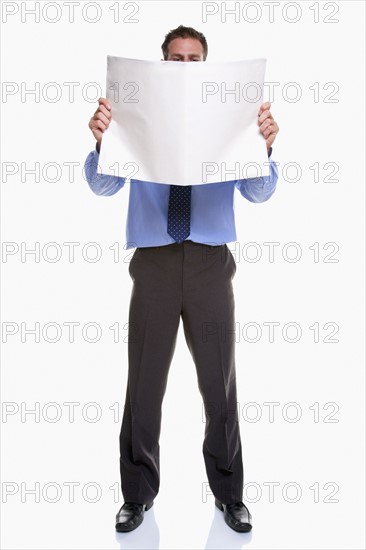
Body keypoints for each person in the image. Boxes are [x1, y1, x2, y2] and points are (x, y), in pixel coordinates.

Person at [84, 25, 279, 534]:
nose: (185, 65)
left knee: (220, 385)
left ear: (205, 65)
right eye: (176, 58)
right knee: (144, 384)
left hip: (211, 263)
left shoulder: (229, 116)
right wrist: (104, 140)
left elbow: (259, 195)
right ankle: (136, 494)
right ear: (163, 64)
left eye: (195, 58)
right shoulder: (137, 113)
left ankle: (230, 495)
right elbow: (102, 186)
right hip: (154, 264)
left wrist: (261, 147)